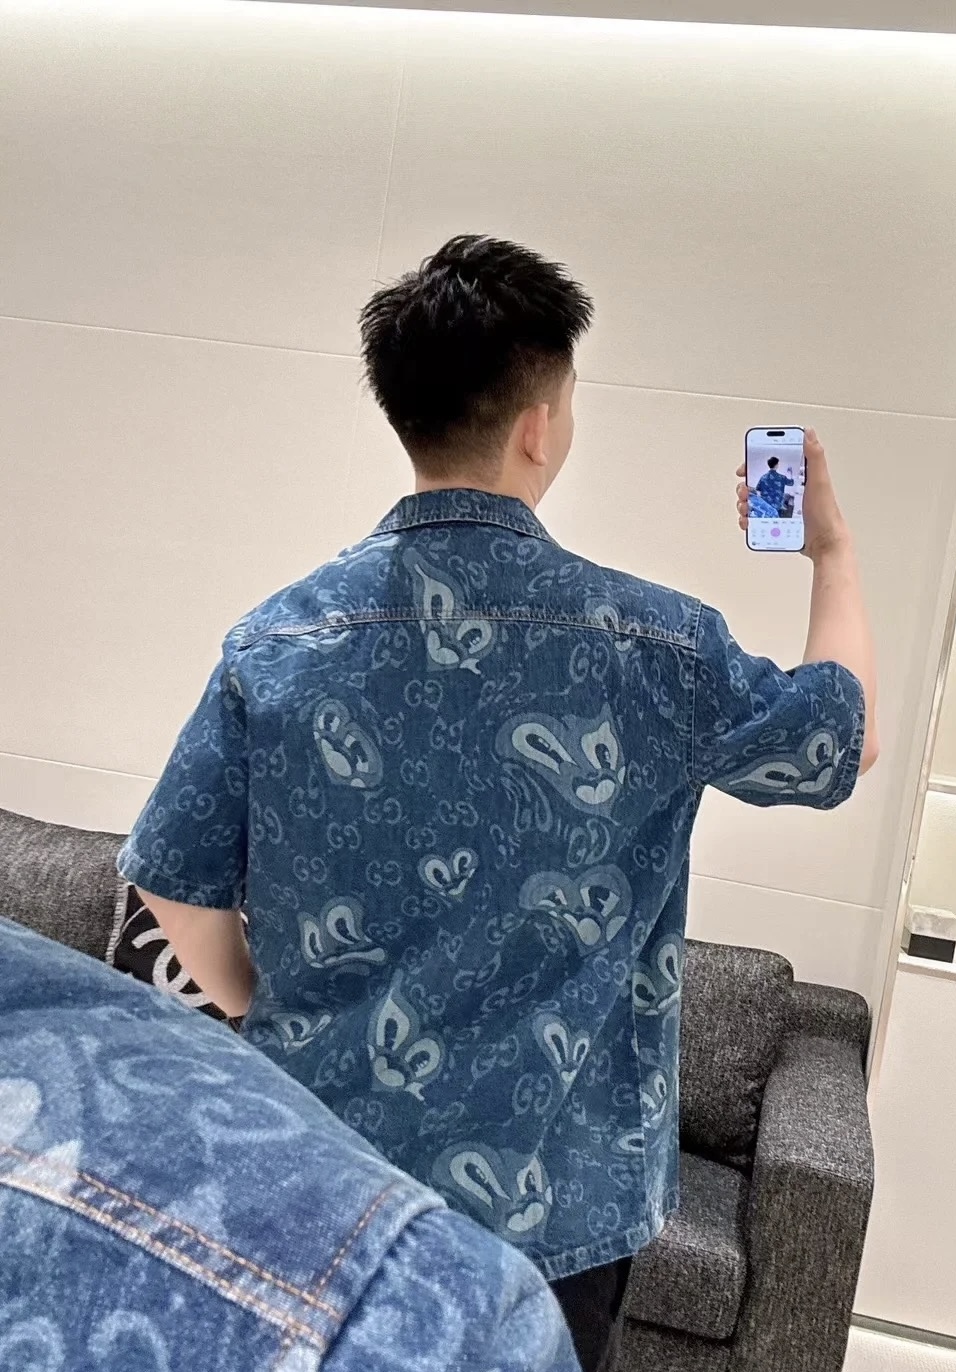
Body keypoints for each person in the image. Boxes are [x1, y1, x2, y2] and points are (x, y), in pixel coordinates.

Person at [117, 235, 879, 1372]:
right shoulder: (654, 646)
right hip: (554, 1213)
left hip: (323, 1169)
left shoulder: (277, 641)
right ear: (538, 424)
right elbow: (838, 745)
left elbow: (172, 883)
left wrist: (279, 1010)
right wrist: (833, 552)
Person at [0, 916, 582, 1372]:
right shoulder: (434, 1320)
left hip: (349, 1120)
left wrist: (255, 1006)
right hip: (540, 1170)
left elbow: (174, 870)